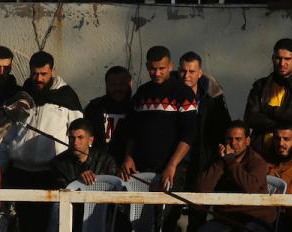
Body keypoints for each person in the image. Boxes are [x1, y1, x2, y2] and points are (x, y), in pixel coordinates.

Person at [0, 50, 82, 232]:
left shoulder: (66, 97)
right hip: (19, 173)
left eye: (44, 74)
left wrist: (77, 166)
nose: (39, 78)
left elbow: (79, 134)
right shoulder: (22, 96)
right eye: (35, 74)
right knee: (18, 231)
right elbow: (8, 135)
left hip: (51, 174)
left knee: (47, 231)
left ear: (52, 71)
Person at [194, 121, 273, 232]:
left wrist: (230, 162)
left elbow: (251, 188)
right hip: (227, 217)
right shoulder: (220, 160)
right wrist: (222, 163)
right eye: (229, 139)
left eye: (238, 139)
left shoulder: (257, 162)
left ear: (247, 141)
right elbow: (202, 188)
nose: (233, 143)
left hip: (256, 218)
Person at [122, 45, 196, 191]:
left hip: (171, 169)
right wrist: (128, 157)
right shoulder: (142, 92)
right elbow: (132, 130)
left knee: (166, 213)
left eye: (161, 68)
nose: (157, 73)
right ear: (147, 66)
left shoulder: (183, 93)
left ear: (170, 66)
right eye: (152, 69)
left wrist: (172, 165)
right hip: (141, 168)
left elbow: (189, 134)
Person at [244, 38, 292, 157]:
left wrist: (269, 110)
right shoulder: (261, 85)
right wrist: (282, 125)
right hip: (261, 152)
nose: (282, 63)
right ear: (273, 59)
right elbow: (250, 118)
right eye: (278, 58)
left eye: (287, 59)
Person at [180, 52, 231, 178]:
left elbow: (224, 126)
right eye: (183, 71)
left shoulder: (213, 98)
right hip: (178, 161)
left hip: (204, 160)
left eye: (191, 71)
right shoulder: (170, 96)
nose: (186, 76)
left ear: (200, 73)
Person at [83, 66, 133, 165]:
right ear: (106, 85)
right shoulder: (94, 108)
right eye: (113, 85)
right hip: (99, 166)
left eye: (122, 84)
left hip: (129, 168)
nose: (118, 88)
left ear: (130, 84)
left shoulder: (137, 109)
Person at [50, 118, 118, 186]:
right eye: (72, 138)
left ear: (90, 140)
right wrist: (78, 181)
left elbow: (113, 188)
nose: (75, 142)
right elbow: (61, 192)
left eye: (80, 137)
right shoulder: (59, 163)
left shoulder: (106, 161)